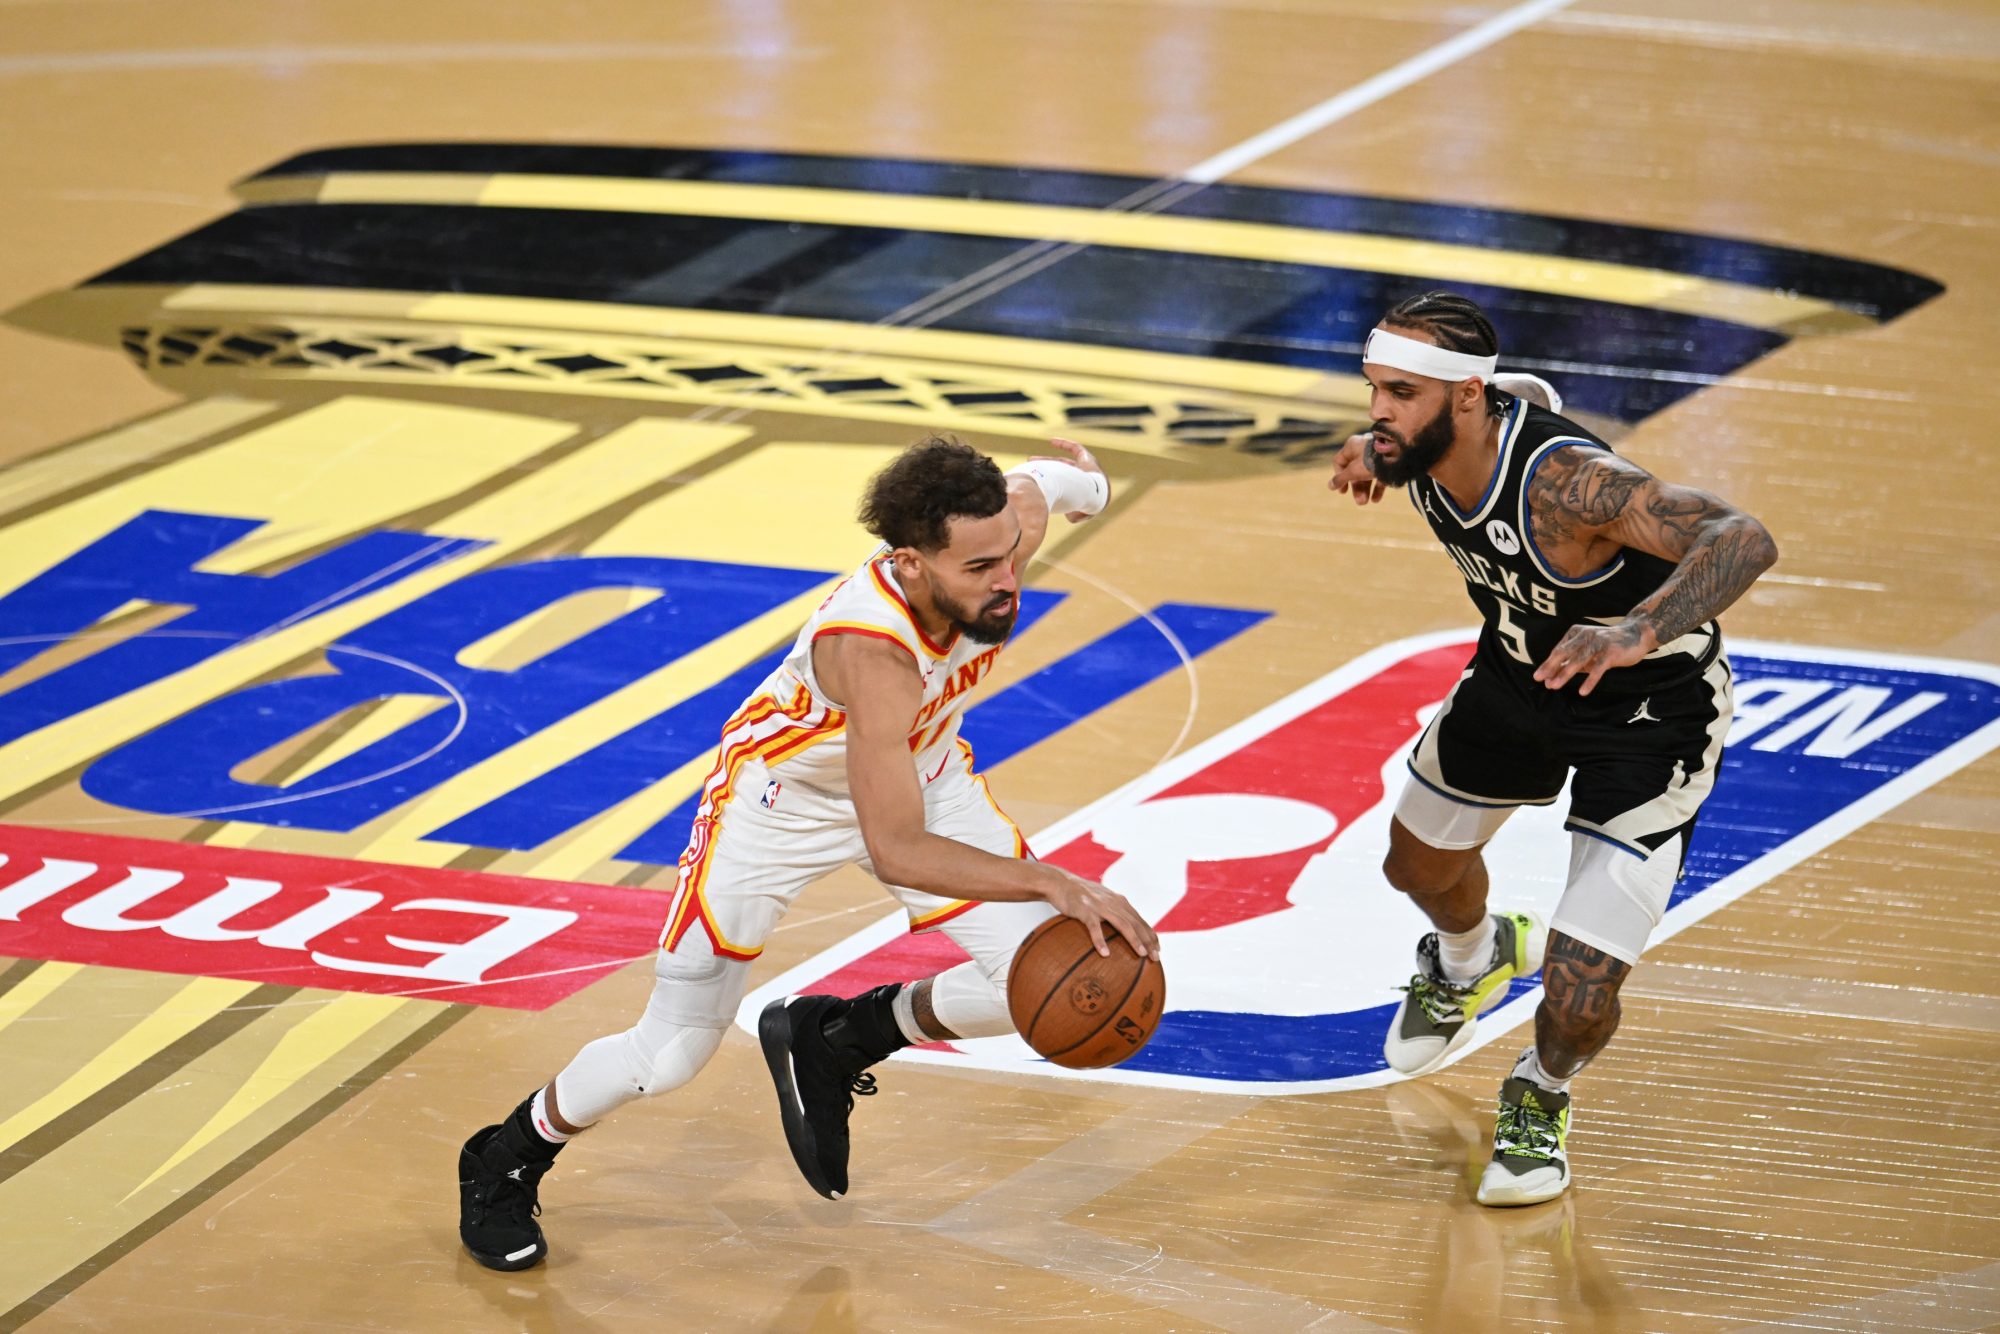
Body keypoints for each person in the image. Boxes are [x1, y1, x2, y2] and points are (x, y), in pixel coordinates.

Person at [457, 435, 1160, 1271]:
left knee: (1058, 979)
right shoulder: (874, 654)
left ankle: (843, 1037)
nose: (1006, 579)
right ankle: (504, 1157)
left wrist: (1089, 481)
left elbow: (1054, 484)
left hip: (924, 771)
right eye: (978, 569)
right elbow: (896, 850)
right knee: (673, 1052)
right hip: (779, 804)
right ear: (910, 562)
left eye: (1009, 553)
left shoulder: (1005, 528)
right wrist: (1053, 880)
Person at [1327, 291, 1778, 1206]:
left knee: (1578, 993)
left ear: (1463, 398)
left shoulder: (1566, 483)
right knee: (1413, 865)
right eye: (1374, 389)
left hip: (1650, 711)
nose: (1380, 412)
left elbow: (1743, 537)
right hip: (1520, 676)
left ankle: (1542, 1090)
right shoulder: (1428, 433)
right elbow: (1498, 394)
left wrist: (1635, 630)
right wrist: (1373, 448)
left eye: (1399, 395)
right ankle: (1472, 955)